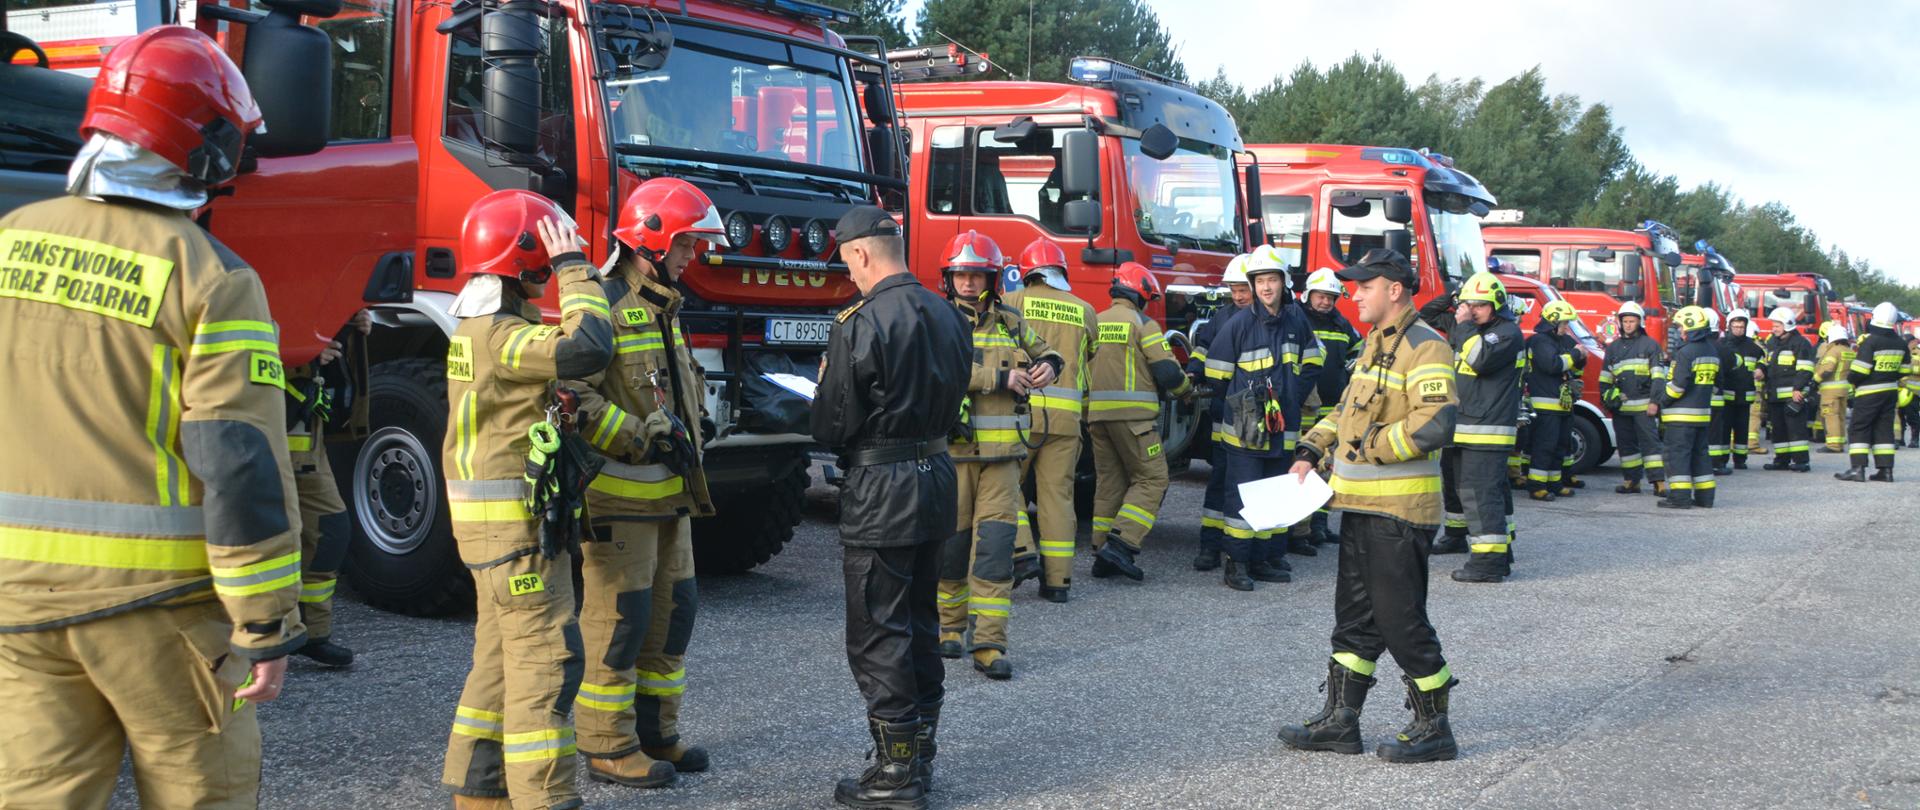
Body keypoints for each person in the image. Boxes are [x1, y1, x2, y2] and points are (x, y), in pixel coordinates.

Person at [0, 27, 302, 806]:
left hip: (19, 604)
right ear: (200, 146)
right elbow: (238, 461)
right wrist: (265, 623)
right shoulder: (212, 278)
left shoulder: (10, 241)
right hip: (158, 614)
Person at [439, 190, 613, 810]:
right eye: (543, 265)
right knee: (545, 663)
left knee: (498, 659)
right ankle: (545, 799)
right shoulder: (502, 336)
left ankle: (480, 791)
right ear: (524, 263)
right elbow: (590, 347)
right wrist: (577, 272)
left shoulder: (471, 328)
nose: (548, 277)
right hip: (514, 537)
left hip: (489, 536)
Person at [559, 178, 729, 788]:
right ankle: (607, 744)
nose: (693, 257)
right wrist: (638, 434)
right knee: (619, 621)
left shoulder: (665, 306)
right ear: (651, 241)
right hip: (620, 501)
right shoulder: (601, 303)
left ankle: (657, 732)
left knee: (672, 615)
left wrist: (696, 417)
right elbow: (572, 394)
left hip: (671, 498)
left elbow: (669, 386)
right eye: (686, 245)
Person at [811, 206, 970, 809]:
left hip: (883, 487)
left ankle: (897, 772)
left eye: (846, 263)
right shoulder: (949, 315)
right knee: (921, 624)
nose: (847, 275)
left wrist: (825, 387)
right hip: (935, 478)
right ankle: (919, 755)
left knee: (879, 632)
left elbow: (831, 424)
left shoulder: (858, 322)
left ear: (861, 254)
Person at [1277, 248, 1459, 763]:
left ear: (1394, 290)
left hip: (1400, 513)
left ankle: (1434, 727)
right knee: (1353, 619)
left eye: (1364, 286)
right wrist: (1312, 449)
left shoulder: (1427, 347)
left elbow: (1436, 422)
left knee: (1401, 620)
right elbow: (1344, 410)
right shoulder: (1374, 344)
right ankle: (1340, 723)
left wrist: (1372, 447)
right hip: (1359, 506)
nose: (1353, 295)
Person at [936, 231, 1062, 680]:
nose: (968, 283)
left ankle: (990, 642)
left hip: (1004, 457)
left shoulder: (1011, 321)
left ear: (991, 278)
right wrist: (998, 379)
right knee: (951, 548)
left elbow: (1048, 353)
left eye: (976, 275)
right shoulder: (939, 320)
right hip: (954, 456)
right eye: (961, 274)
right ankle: (949, 629)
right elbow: (940, 370)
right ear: (949, 278)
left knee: (994, 551)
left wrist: (1050, 366)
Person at [1203, 245, 1322, 590]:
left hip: (1283, 426)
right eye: (1260, 281)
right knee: (1242, 495)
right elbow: (1216, 374)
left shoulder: (1297, 320)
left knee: (1275, 493)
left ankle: (1264, 558)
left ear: (1283, 282)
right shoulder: (1239, 323)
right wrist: (1244, 406)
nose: (1266, 287)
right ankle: (1236, 563)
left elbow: (1313, 362)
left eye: (1272, 279)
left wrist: (1293, 397)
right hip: (1245, 428)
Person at [1086, 262, 1194, 583]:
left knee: (1110, 484)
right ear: (1142, 292)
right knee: (1153, 479)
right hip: (1134, 421)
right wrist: (1185, 390)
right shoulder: (1142, 323)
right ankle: (1122, 544)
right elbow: (1167, 371)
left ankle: (1102, 550)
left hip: (1097, 419)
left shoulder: (1096, 321)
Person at [1002, 238, 1096, 602]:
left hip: (1020, 416)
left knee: (1004, 487)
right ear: (1061, 273)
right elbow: (1089, 359)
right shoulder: (1085, 309)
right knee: (1058, 498)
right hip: (1066, 422)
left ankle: (1022, 553)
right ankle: (1058, 583)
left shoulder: (1012, 302)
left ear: (1028, 274)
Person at [286, 308, 372, 668]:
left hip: (304, 433)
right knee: (268, 541)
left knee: (330, 530)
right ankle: (267, 635)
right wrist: (297, 352)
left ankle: (311, 633)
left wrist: (352, 325)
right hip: (264, 432)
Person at [1439, 272, 1524, 582]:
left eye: (1479, 304)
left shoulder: (1506, 333)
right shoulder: (1479, 330)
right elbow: (1429, 313)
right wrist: (1454, 297)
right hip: (1468, 427)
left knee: (1482, 495)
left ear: (1497, 305)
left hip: (1486, 430)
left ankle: (1488, 564)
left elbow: (1480, 360)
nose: (1472, 310)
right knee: (1477, 492)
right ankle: (1500, 555)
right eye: (1468, 304)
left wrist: (1464, 324)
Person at [1188, 254, 1251, 571]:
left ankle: (1240, 549)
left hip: (1254, 417)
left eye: (1243, 289)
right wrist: (1194, 370)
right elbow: (1202, 347)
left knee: (1248, 485)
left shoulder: (1265, 318)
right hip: (1223, 412)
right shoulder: (1222, 317)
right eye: (1234, 290)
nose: (1238, 296)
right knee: (1219, 482)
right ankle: (1209, 547)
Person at [1296, 268, 1362, 551]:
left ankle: (1318, 527)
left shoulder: (1342, 324)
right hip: (1305, 407)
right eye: (1321, 296)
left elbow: (1358, 354)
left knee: (1326, 470)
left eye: (1331, 297)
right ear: (1308, 294)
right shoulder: (1297, 320)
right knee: (1302, 466)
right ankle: (1300, 527)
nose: (1325, 302)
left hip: (1332, 409)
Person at [1835, 303, 1913, 482]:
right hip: (1890, 391)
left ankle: (1857, 469)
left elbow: (1860, 371)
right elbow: (1905, 370)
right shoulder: (1901, 343)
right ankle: (1885, 471)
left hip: (1869, 393)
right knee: (1884, 430)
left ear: (1875, 317)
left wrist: (1851, 380)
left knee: (1859, 428)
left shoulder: (1871, 341)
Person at [1600, 302, 1668, 494]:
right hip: (1621, 408)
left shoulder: (1650, 345)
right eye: (1625, 321)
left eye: (1632, 321)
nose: (1628, 324)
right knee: (1626, 446)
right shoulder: (1613, 348)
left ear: (1640, 322)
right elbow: (1605, 379)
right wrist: (1608, 399)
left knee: (1651, 445)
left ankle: (1658, 482)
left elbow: (1658, 377)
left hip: (1644, 406)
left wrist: (1655, 402)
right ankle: (1632, 481)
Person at [1656, 307, 1721, 509]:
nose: (1679, 331)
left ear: (1691, 327)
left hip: (1680, 417)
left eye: (1681, 326)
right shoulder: (1712, 351)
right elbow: (1716, 383)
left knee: (1677, 457)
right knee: (1700, 456)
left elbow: (1677, 386)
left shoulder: (1685, 353)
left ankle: (1680, 498)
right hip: (1701, 416)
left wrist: (1662, 400)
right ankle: (1705, 497)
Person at [1521, 301, 1582, 500]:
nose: (1567, 327)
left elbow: (1576, 365)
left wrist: (1580, 357)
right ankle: (1537, 485)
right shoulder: (1540, 341)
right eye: (1564, 323)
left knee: (1560, 445)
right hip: (1545, 404)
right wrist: (1575, 354)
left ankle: (1555, 483)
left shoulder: (1562, 340)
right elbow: (1552, 365)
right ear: (1552, 322)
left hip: (1563, 404)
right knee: (1544, 446)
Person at [1760, 308, 1816, 472]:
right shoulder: (1772, 342)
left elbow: (1805, 369)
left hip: (1792, 395)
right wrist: (1760, 370)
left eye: (1777, 325)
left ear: (1788, 325)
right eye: (1774, 325)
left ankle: (1801, 461)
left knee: (1796, 430)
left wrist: (1798, 388)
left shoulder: (1800, 343)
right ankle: (1781, 460)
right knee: (1778, 430)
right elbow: (1767, 363)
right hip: (1774, 395)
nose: (1773, 328)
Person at [1718, 309, 1765, 470]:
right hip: (1726, 396)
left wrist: (1761, 369)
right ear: (1729, 326)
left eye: (1741, 327)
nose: (1739, 329)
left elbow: (1764, 361)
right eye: (1736, 326)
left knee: (1742, 430)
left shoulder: (1753, 347)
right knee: (1724, 430)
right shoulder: (1722, 345)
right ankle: (1722, 459)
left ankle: (1740, 459)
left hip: (1745, 396)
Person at [1815, 321, 1854, 453]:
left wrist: (1814, 381)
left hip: (1830, 391)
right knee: (1841, 416)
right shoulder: (1849, 351)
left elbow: (1827, 369)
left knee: (1831, 416)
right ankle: (1840, 441)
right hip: (1844, 389)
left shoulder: (1833, 351)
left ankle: (1833, 445)